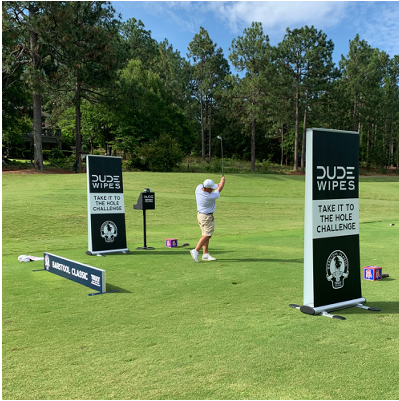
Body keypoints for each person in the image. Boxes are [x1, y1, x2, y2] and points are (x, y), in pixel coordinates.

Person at [190, 176, 225, 262]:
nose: (212, 190)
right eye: (211, 188)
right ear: (207, 189)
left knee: (205, 234)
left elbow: (215, 187)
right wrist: (222, 182)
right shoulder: (209, 196)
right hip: (206, 217)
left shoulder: (198, 188)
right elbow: (219, 189)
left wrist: (218, 184)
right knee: (208, 235)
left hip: (200, 215)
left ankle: (205, 254)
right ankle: (196, 250)